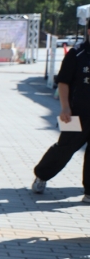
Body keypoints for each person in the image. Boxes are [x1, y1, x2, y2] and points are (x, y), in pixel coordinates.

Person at [32, 26, 90, 201]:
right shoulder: (76, 53)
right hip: (74, 113)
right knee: (65, 148)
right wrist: (65, 107)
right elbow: (63, 82)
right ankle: (42, 175)